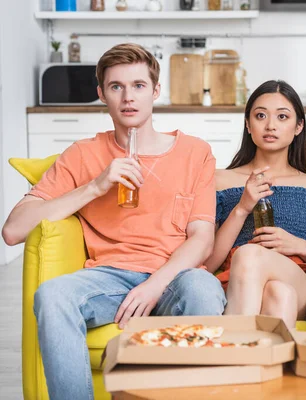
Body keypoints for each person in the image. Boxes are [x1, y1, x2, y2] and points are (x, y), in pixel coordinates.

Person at [1, 43, 226, 400]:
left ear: (155, 91)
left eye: (138, 86)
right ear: (101, 94)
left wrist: (154, 286)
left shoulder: (194, 152)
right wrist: (95, 186)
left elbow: (201, 238)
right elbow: (13, 230)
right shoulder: (83, 154)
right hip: (108, 277)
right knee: (53, 294)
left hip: (175, 277)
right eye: (116, 87)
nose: (128, 97)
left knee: (204, 287)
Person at [204, 80, 306, 329]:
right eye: (260, 116)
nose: (270, 126)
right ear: (248, 124)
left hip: (298, 276)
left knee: (254, 259)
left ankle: (231, 354)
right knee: (278, 294)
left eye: (282, 117)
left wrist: (300, 245)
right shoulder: (219, 179)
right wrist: (242, 208)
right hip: (238, 280)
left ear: (298, 126)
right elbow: (210, 262)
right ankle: (265, 364)